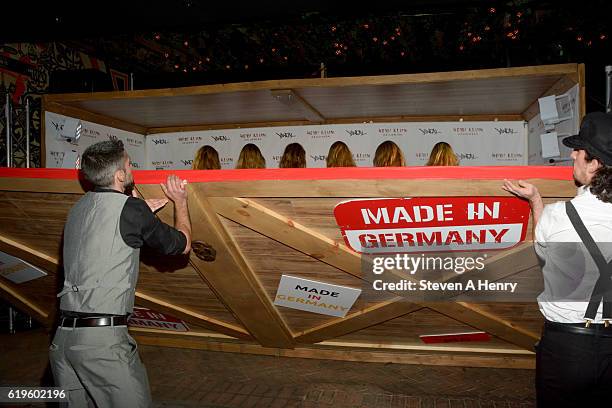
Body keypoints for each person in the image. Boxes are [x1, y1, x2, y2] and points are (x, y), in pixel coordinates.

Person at [49, 139, 192, 407]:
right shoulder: (131, 210)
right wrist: (181, 202)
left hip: (63, 341)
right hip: (101, 346)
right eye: (129, 163)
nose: (131, 167)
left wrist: (139, 214)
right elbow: (183, 245)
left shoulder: (78, 208)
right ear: (119, 175)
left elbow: (103, 237)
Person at [502, 112, 612, 407]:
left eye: (578, 150)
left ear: (594, 163)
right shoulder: (558, 216)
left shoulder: (557, 216)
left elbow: (542, 249)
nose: (573, 155)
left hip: (567, 349)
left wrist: (536, 201)